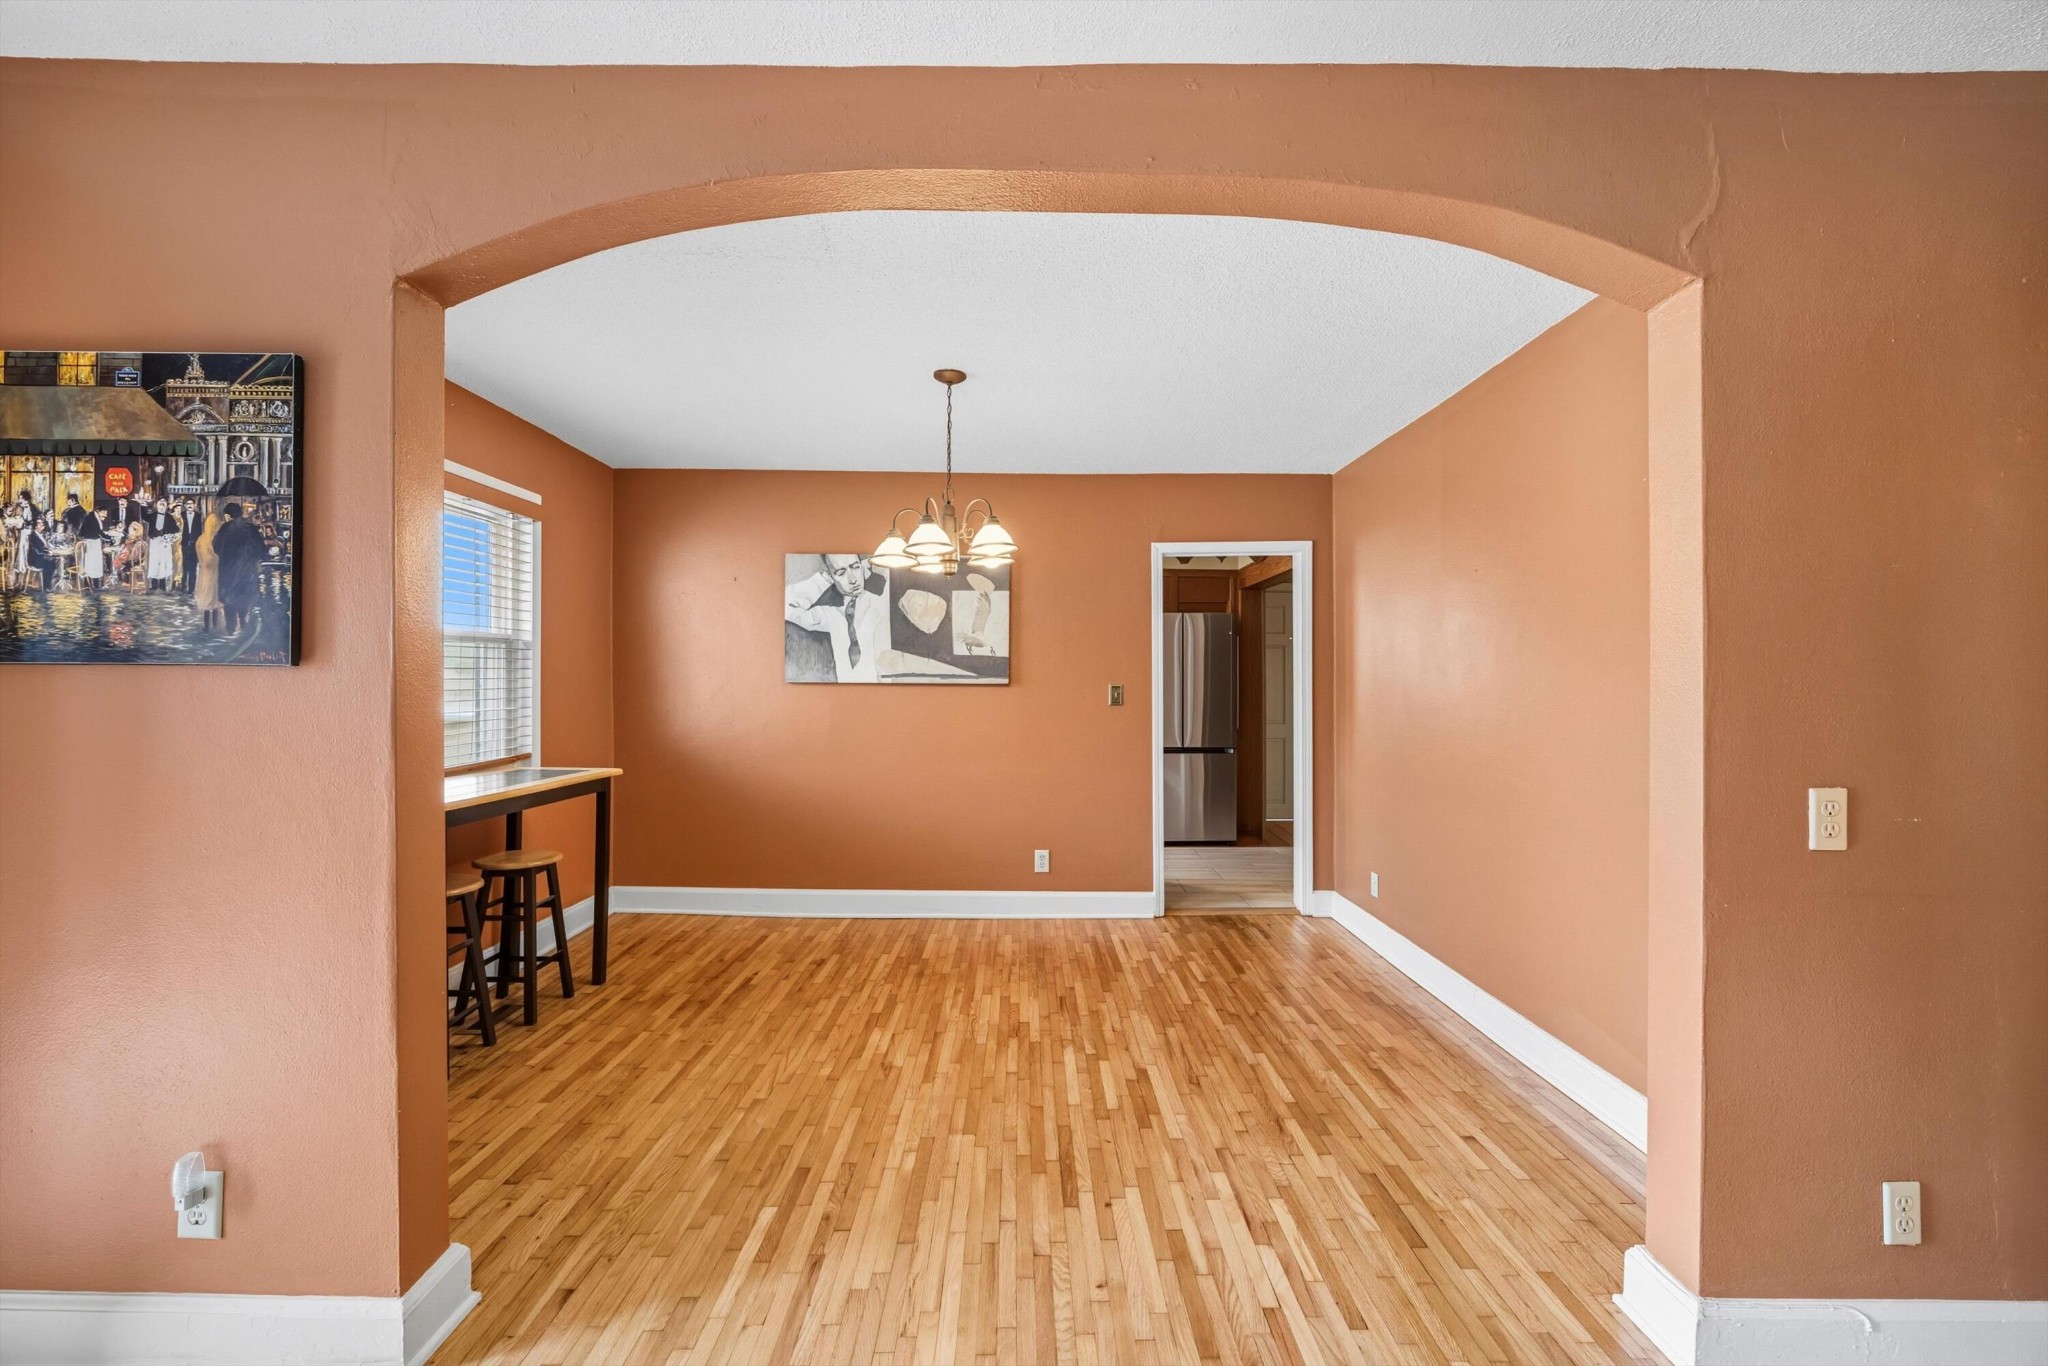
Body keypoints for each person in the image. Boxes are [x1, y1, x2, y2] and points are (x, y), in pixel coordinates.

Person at [784, 553, 888, 682]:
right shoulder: (830, 615)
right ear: (831, 576)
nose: (852, 579)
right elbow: (786, 605)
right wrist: (824, 579)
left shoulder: (884, 603)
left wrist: (869, 564)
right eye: (841, 573)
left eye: (855, 567)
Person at [210, 501, 266, 635]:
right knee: (245, 596)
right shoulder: (251, 528)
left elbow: (217, 548)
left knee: (229, 598)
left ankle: (231, 628)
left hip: (229, 570)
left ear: (228, 516)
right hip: (247, 570)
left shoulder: (225, 529)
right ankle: (243, 622)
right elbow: (261, 549)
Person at [193, 506, 224, 630]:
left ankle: (206, 627)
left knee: (206, 600)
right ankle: (215, 626)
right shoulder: (218, 539)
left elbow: (198, 553)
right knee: (215, 600)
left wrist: (202, 562)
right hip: (216, 573)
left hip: (204, 574)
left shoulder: (201, 539)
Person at [144, 497, 181, 592]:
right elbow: (144, 516)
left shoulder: (169, 517)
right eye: (160, 503)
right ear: (157, 505)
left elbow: (176, 530)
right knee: (154, 561)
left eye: (164, 504)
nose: (162, 505)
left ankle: (163, 584)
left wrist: (168, 536)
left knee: (164, 561)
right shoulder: (152, 515)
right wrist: (143, 505)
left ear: (166, 506)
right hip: (154, 541)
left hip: (164, 542)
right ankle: (154, 584)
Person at [72, 501, 105, 590]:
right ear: (98, 511)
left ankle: (94, 583)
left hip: (94, 542)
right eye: (104, 512)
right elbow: (98, 532)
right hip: (91, 542)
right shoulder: (92, 518)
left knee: (95, 564)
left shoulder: (94, 516)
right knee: (92, 563)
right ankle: (92, 584)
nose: (105, 515)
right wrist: (108, 537)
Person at [178, 497, 201, 593]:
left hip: (194, 544)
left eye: (191, 503)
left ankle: (191, 588)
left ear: (194, 505)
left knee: (193, 566)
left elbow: (200, 530)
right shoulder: (181, 515)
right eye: (188, 504)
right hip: (184, 543)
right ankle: (183, 586)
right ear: (185, 506)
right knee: (184, 565)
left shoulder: (198, 516)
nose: (190, 505)